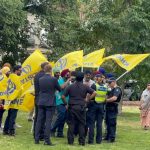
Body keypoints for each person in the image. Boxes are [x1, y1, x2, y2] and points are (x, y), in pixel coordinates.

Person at [62, 71, 97, 146]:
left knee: (71, 124)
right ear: (82, 78)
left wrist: (66, 104)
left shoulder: (70, 86)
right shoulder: (85, 86)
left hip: (72, 107)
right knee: (82, 124)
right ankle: (81, 141)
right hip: (81, 107)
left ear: (75, 78)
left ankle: (70, 141)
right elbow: (94, 93)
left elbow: (63, 96)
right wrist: (87, 100)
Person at [35, 64, 61, 145]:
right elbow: (59, 89)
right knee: (48, 121)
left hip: (41, 101)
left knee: (39, 121)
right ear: (51, 70)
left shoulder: (40, 79)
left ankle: (36, 139)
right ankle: (47, 140)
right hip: (50, 102)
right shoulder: (53, 79)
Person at [88, 74, 108, 144]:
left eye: (96, 77)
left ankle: (90, 141)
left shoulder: (94, 85)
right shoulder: (105, 86)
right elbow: (106, 97)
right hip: (101, 106)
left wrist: (88, 100)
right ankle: (99, 140)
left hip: (94, 104)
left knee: (91, 124)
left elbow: (90, 94)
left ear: (97, 78)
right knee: (99, 124)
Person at [51, 69, 71, 137]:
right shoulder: (59, 80)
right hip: (59, 101)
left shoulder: (70, 82)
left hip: (66, 101)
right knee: (61, 116)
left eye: (69, 74)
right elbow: (61, 87)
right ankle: (52, 129)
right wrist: (68, 80)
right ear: (63, 74)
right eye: (67, 74)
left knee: (64, 117)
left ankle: (60, 132)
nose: (68, 75)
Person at [3, 65, 22, 136]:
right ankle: (11, 131)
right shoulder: (16, 77)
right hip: (15, 99)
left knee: (9, 115)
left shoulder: (10, 77)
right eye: (20, 70)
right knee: (13, 116)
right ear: (16, 70)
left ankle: (5, 130)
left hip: (9, 98)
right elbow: (20, 89)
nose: (21, 71)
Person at [33, 62, 49, 139]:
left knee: (37, 117)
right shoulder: (44, 76)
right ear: (45, 67)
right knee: (42, 118)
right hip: (43, 98)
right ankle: (40, 134)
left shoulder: (37, 75)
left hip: (37, 97)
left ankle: (36, 133)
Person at [105, 77, 122, 143]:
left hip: (113, 107)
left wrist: (106, 100)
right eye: (108, 83)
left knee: (112, 123)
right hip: (109, 107)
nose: (108, 84)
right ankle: (107, 136)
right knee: (107, 122)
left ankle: (112, 138)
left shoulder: (117, 89)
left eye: (110, 83)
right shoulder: (112, 89)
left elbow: (114, 98)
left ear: (114, 82)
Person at [0, 67, 11, 131]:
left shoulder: (3, 77)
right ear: (5, 71)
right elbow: (2, 90)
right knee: (1, 113)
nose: (9, 72)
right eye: (8, 71)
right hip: (2, 98)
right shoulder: (4, 79)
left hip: (2, 98)